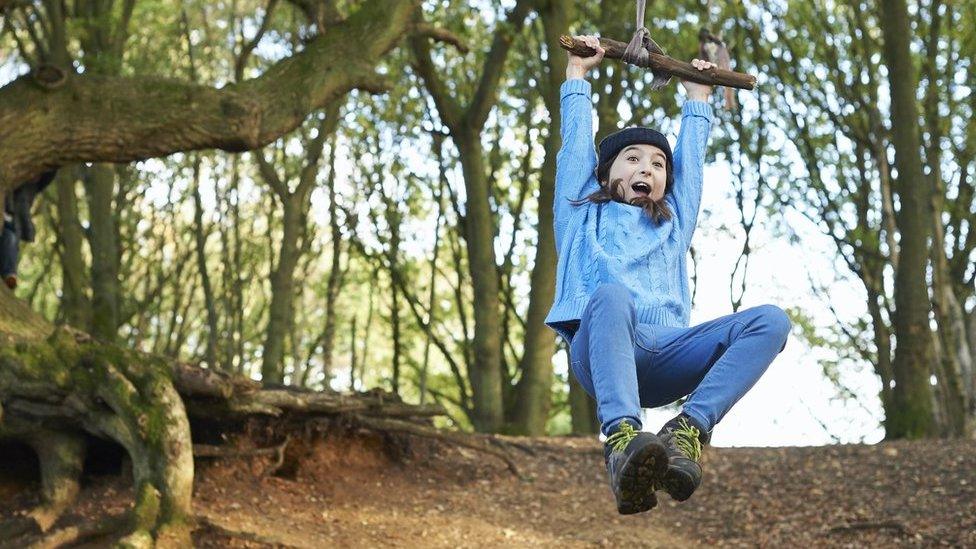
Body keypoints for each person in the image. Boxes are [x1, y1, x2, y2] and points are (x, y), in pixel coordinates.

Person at [545, 35, 791, 515]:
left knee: (771, 321)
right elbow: (574, 147)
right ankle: (621, 440)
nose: (647, 168)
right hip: (603, 350)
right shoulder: (579, 214)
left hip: (668, 356)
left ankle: (687, 431)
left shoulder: (672, 223)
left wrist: (699, 96)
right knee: (612, 295)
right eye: (633, 159)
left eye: (658, 163)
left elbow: (691, 166)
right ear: (604, 174)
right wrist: (576, 75)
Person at [1, 170, 58, 290]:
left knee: (11, 240)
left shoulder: (33, 187)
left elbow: (50, 172)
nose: (33, 175)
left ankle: (8, 274)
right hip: (5, 214)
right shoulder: (12, 174)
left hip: (13, 221)